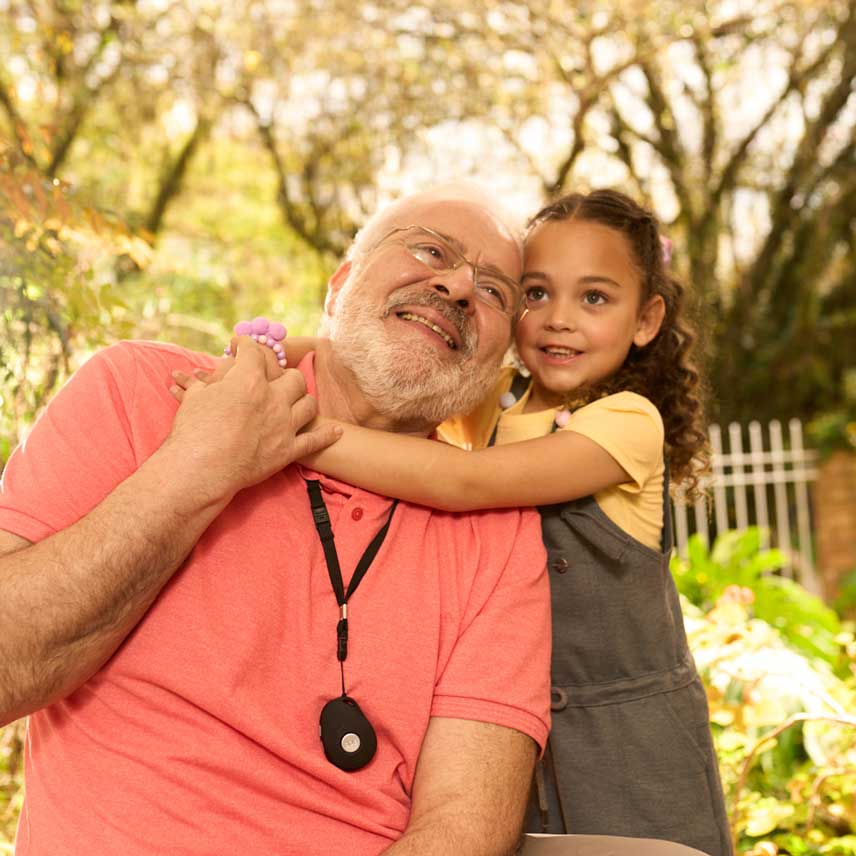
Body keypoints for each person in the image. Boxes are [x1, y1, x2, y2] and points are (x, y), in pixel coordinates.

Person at [0, 185, 556, 855]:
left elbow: (463, 830)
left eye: (496, 292)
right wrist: (199, 464)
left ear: (498, 363)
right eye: (430, 249)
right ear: (340, 286)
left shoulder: (495, 530)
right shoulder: (141, 392)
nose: (460, 285)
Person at [191, 190, 732, 856]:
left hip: (628, 741)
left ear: (647, 319)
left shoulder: (626, 423)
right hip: (511, 737)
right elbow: (366, 358)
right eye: (535, 294)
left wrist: (292, 428)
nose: (559, 320)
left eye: (594, 298)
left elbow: (461, 482)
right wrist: (265, 357)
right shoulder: (495, 400)